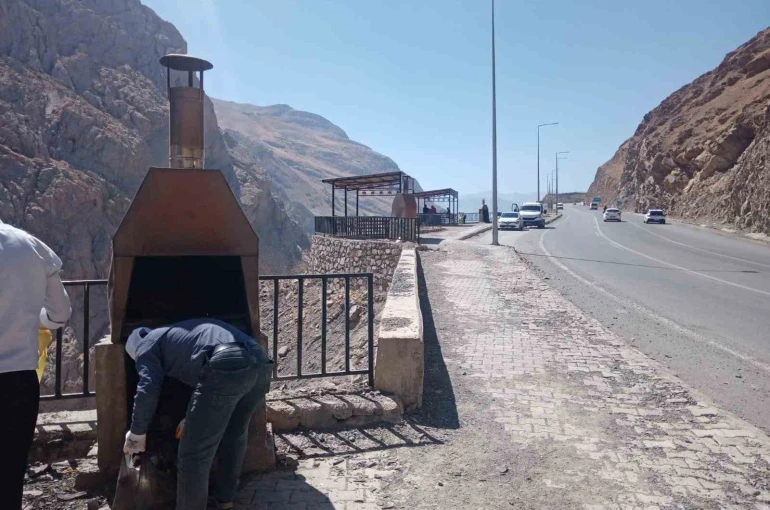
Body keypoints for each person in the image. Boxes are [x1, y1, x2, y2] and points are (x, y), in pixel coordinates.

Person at [123, 319, 272, 510]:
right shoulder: (176, 336)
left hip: (226, 364)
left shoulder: (145, 346)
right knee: (234, 434)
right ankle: (224, 500)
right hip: (260, 362)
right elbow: (206, 381)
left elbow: (147, 389)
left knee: (193, 454)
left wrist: (136, 433)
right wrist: (192, 416)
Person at [0, 220, 71, 509]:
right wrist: (36, 320)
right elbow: (61, 313)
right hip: (18, 381)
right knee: (11, 471)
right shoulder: (32, 247)